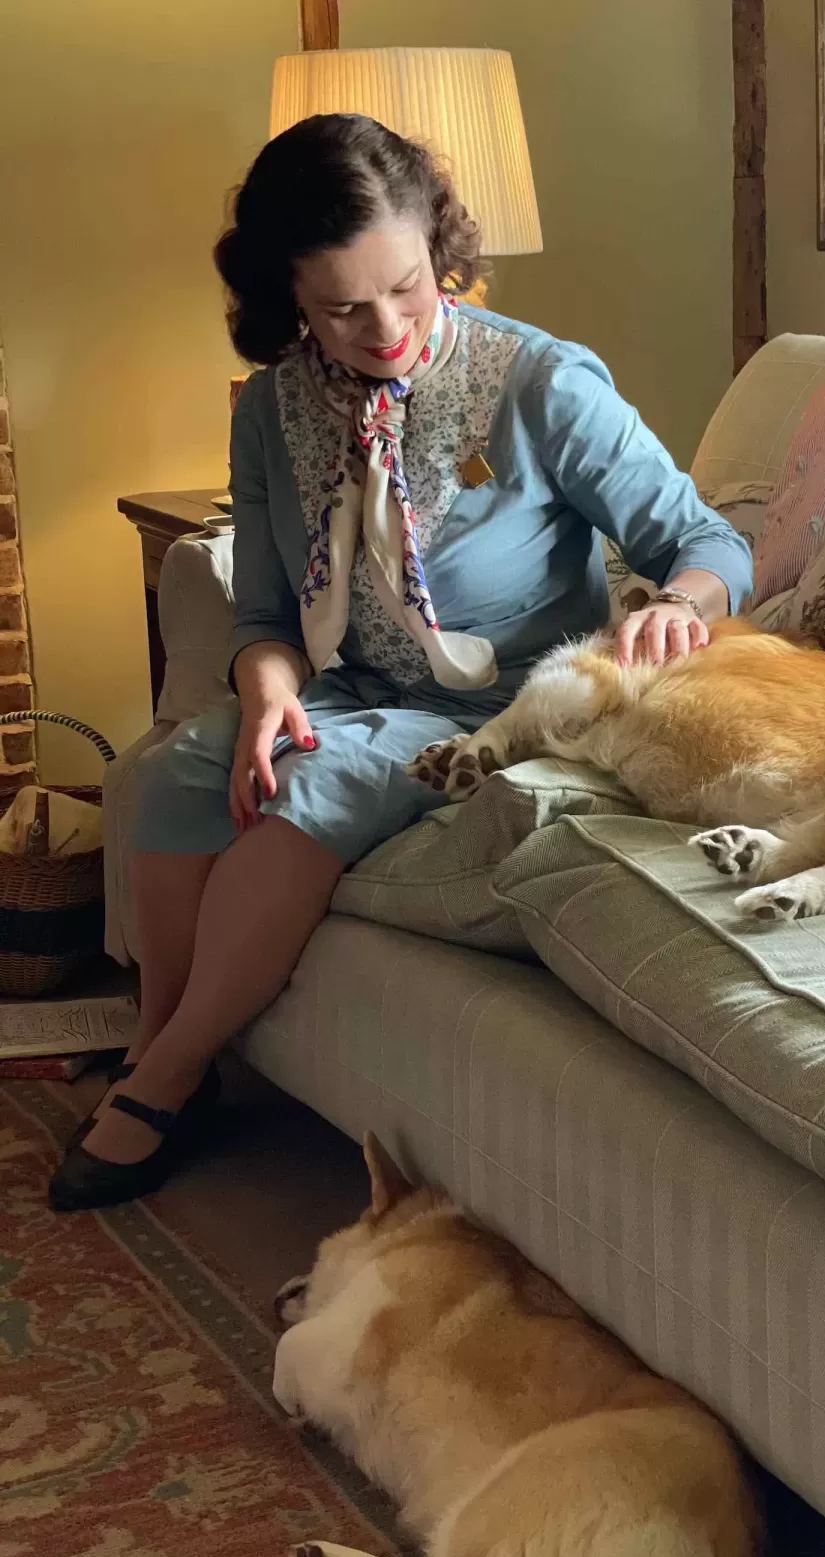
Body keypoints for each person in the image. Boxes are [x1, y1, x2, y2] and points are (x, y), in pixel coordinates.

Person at [48, 113, 752, 1211]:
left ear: (441, 248)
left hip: (501, 708)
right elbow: (266, 613)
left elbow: (709, 544)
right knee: (180, 768)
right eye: (340, 308)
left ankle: (165, 1080)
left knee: (305, 790)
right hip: (344, 684)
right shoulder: (277, 409)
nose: (384, 327)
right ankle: (161, 1052)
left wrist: (676, 608)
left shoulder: (541, 385)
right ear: (288, 301)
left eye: (410, 289)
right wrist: (269, 691)